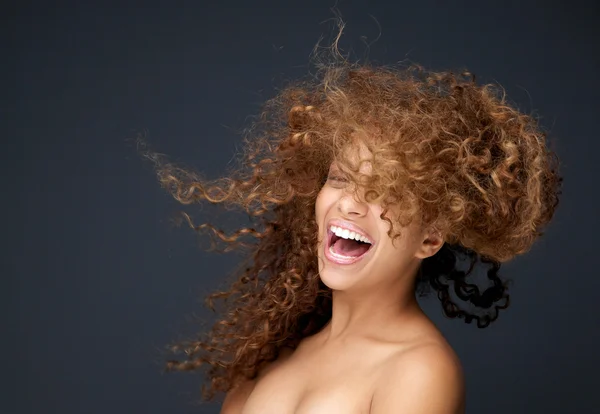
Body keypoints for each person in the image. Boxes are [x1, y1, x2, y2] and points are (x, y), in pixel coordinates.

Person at [142, 21, 561, 414]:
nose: (349, 204)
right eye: (340, 178)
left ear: (430, 239)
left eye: (386, 192)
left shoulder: (420, 370)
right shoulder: (273, 352)